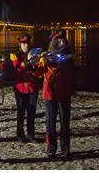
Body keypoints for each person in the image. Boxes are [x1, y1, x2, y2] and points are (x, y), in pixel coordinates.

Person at [32, 29, 75, 158]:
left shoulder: (68, 58)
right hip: (50, 94)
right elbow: (37, 73)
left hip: (64, 92)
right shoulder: (45, 58)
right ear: (53, 42)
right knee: (50, 123)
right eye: (58, 40)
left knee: (65, 123)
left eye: (62, 40)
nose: (61, 42)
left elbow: (72, 73)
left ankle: (65, 148)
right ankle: (51, 148)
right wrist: (35, 65)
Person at [10, 34, 39, 143]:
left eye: (27, 43)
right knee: (21, 112)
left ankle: (31, 134)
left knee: (32, 112)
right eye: (23, 43)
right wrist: (28, 60)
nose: (25, 45)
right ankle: (20, 135)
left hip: (32, 87)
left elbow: (36, 70)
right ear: (20, 44)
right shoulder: (14, 55)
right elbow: (17, 67)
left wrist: (35, 63)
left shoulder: (35, 54)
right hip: (20, 88)